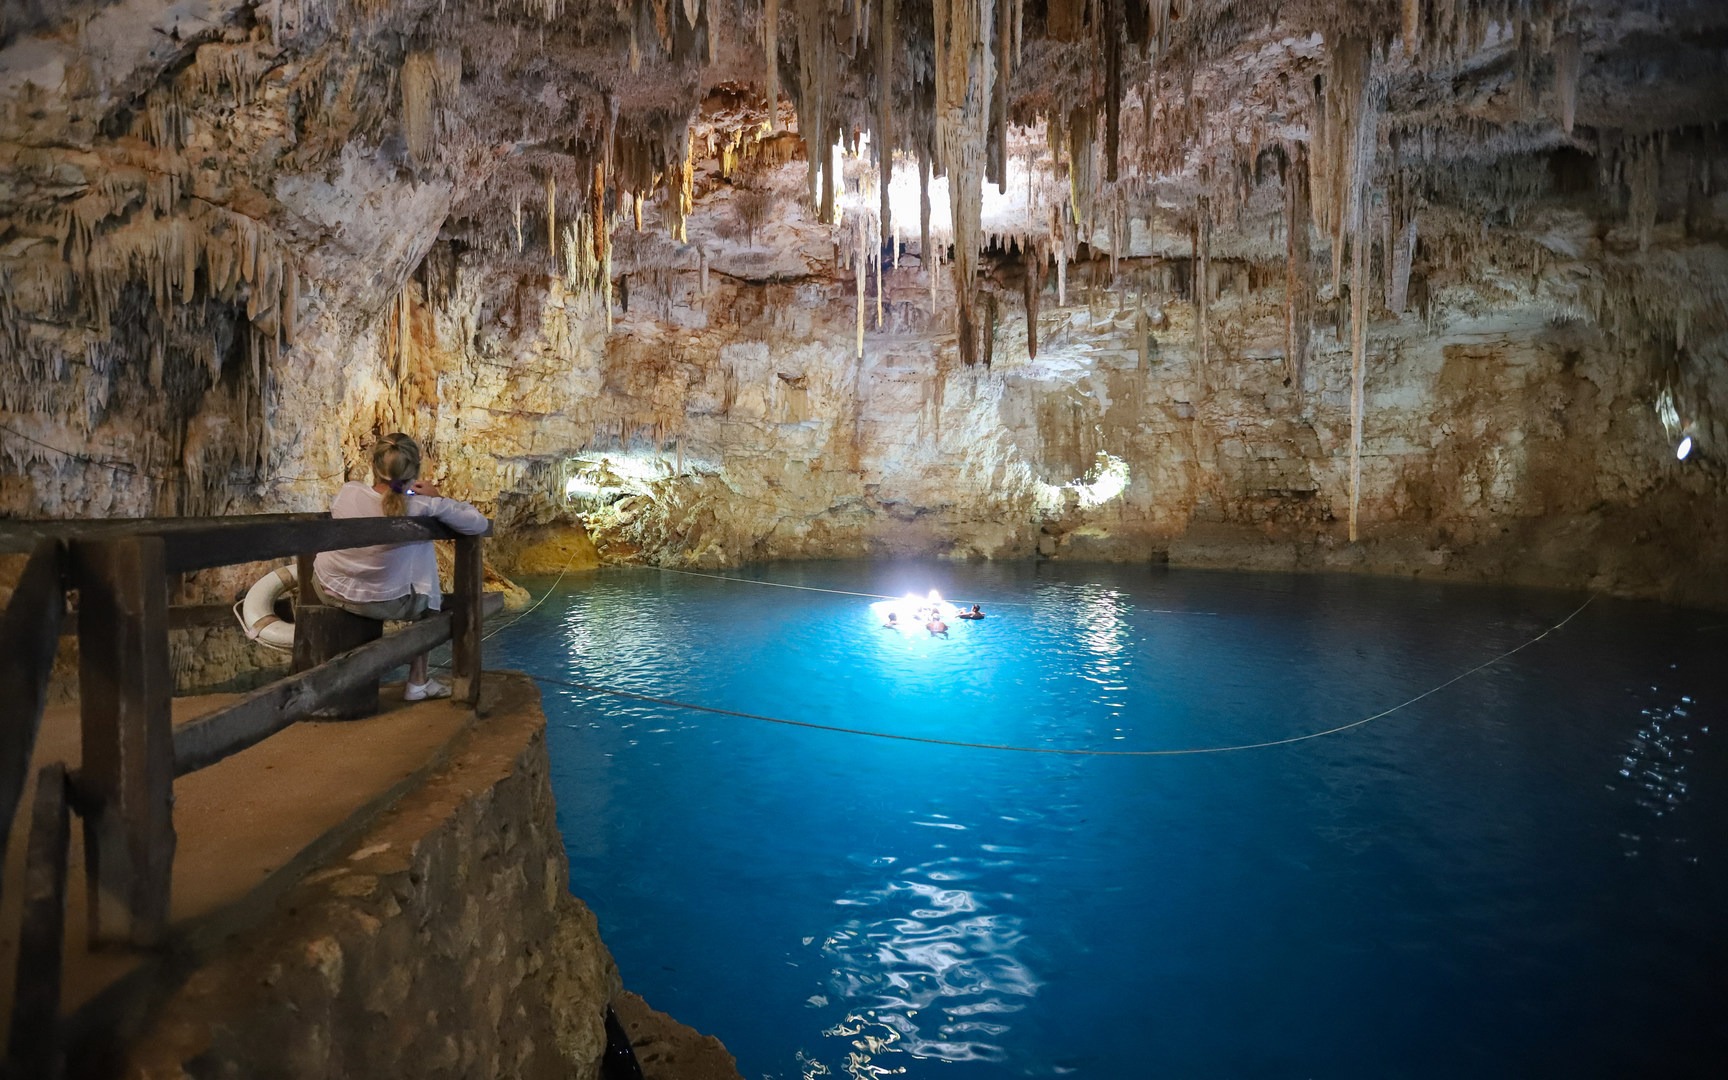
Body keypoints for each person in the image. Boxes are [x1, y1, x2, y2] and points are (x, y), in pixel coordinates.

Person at [312, 433, 491, 701]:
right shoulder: (422, 505)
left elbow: (350, 504)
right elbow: (477, 523)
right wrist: (438, 497)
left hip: (327, 586)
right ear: (415, 470)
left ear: (374, 466)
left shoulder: (350, 492)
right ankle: (418, 682)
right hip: (384, 601)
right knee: (428, 585)